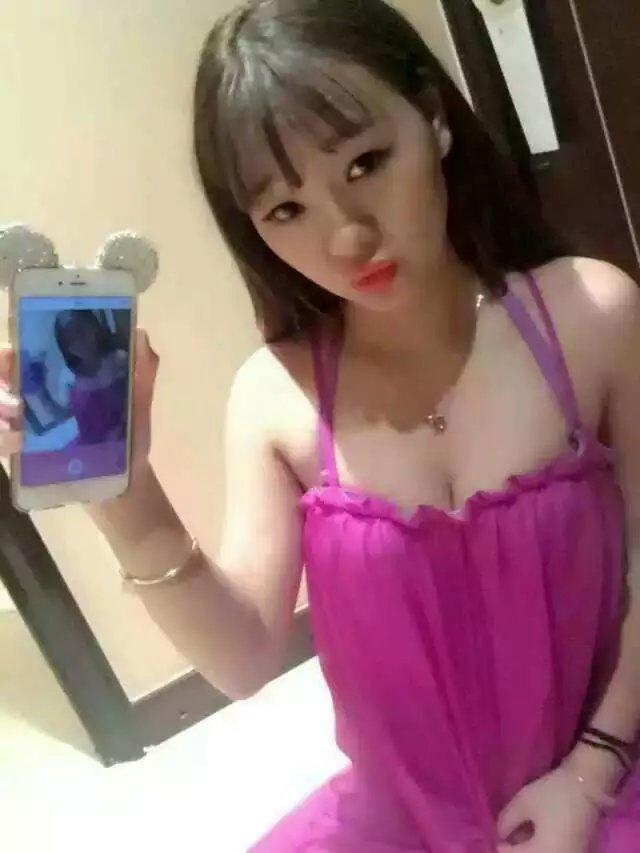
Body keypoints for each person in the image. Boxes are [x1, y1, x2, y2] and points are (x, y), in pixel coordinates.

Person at [1, 0, 640, 848]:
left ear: (435, 119)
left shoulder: (592, 314)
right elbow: (242, 659)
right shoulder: (276, 397)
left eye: (366, 162)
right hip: (402, 824)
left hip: (605, 772)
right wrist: (123, 492)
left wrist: (591, 775)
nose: (346, 235)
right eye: (285, 209)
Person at [53, 310, 128, 445]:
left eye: (81, 331)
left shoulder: (119, 360)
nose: (79, 342)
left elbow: (134, 401)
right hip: (90, 445)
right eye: (69, 339)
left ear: (94, 327)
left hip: (123, 439)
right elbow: (64, 414)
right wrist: (41, 394)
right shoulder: (67, 377)